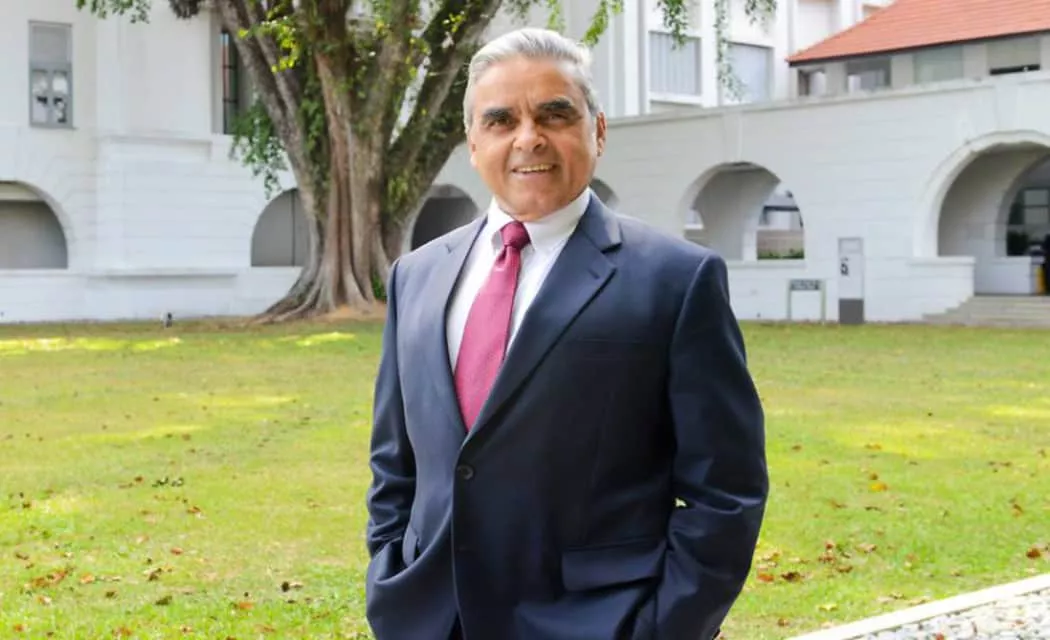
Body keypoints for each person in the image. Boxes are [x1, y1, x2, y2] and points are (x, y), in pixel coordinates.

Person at [364, 27, 768, 640]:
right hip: (431, 619)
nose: (529, 137)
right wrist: (390, 577)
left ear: (597, 131)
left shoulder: (676, 280)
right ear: (473, 142)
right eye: (501, 120)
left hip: (597, 622)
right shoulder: (415, 276)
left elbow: (727, 489)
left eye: (554, 115)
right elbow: (395, 465)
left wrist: (664, 627)